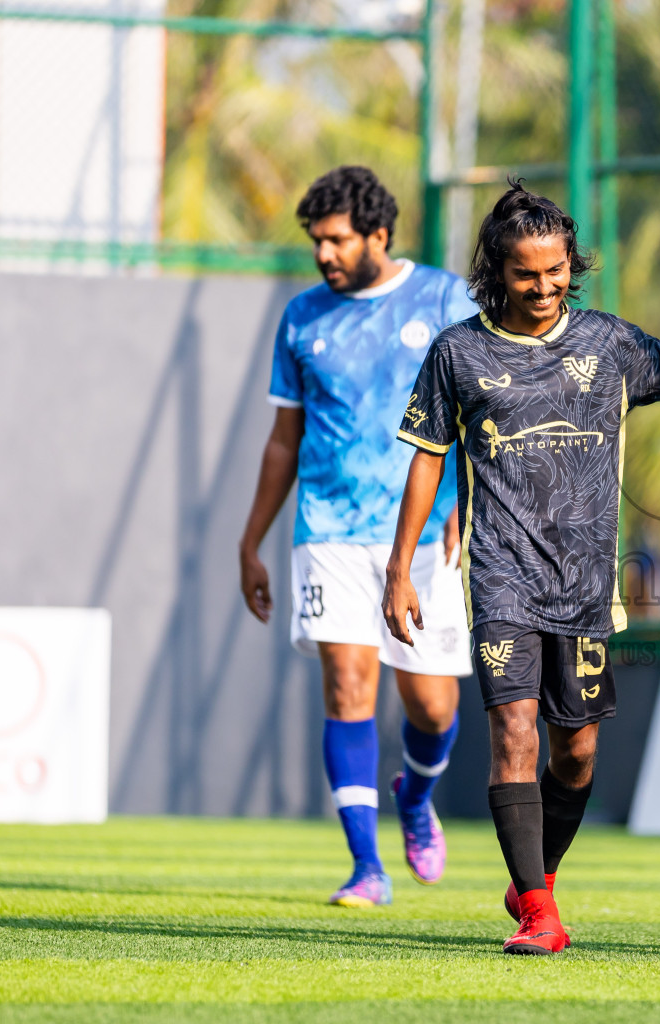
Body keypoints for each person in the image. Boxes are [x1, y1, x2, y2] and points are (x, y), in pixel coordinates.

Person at [382, 182, 660, 955]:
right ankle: (542, 915)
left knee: (575, 751)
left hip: (585, 586)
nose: (544, 288)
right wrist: (400, 570)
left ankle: (533, 877)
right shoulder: (458, 353)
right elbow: (425, 462)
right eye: (526, 275)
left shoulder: (609, 345)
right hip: (500, 573)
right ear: (497, 271)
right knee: (513, 729)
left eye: (556, 273)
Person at [238, 166, 477, 907]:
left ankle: (415, 794)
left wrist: (469, 503)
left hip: (423, 533)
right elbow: (284, 439)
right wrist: (251, 542)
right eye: (316, 242)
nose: (324, 254)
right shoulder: (302, 318)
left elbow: (482, 409)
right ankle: (366, 867)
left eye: (337, 240)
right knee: (347, 688)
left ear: (378, 234)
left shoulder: (442, 299)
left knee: (432, 709)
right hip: (330, 530)